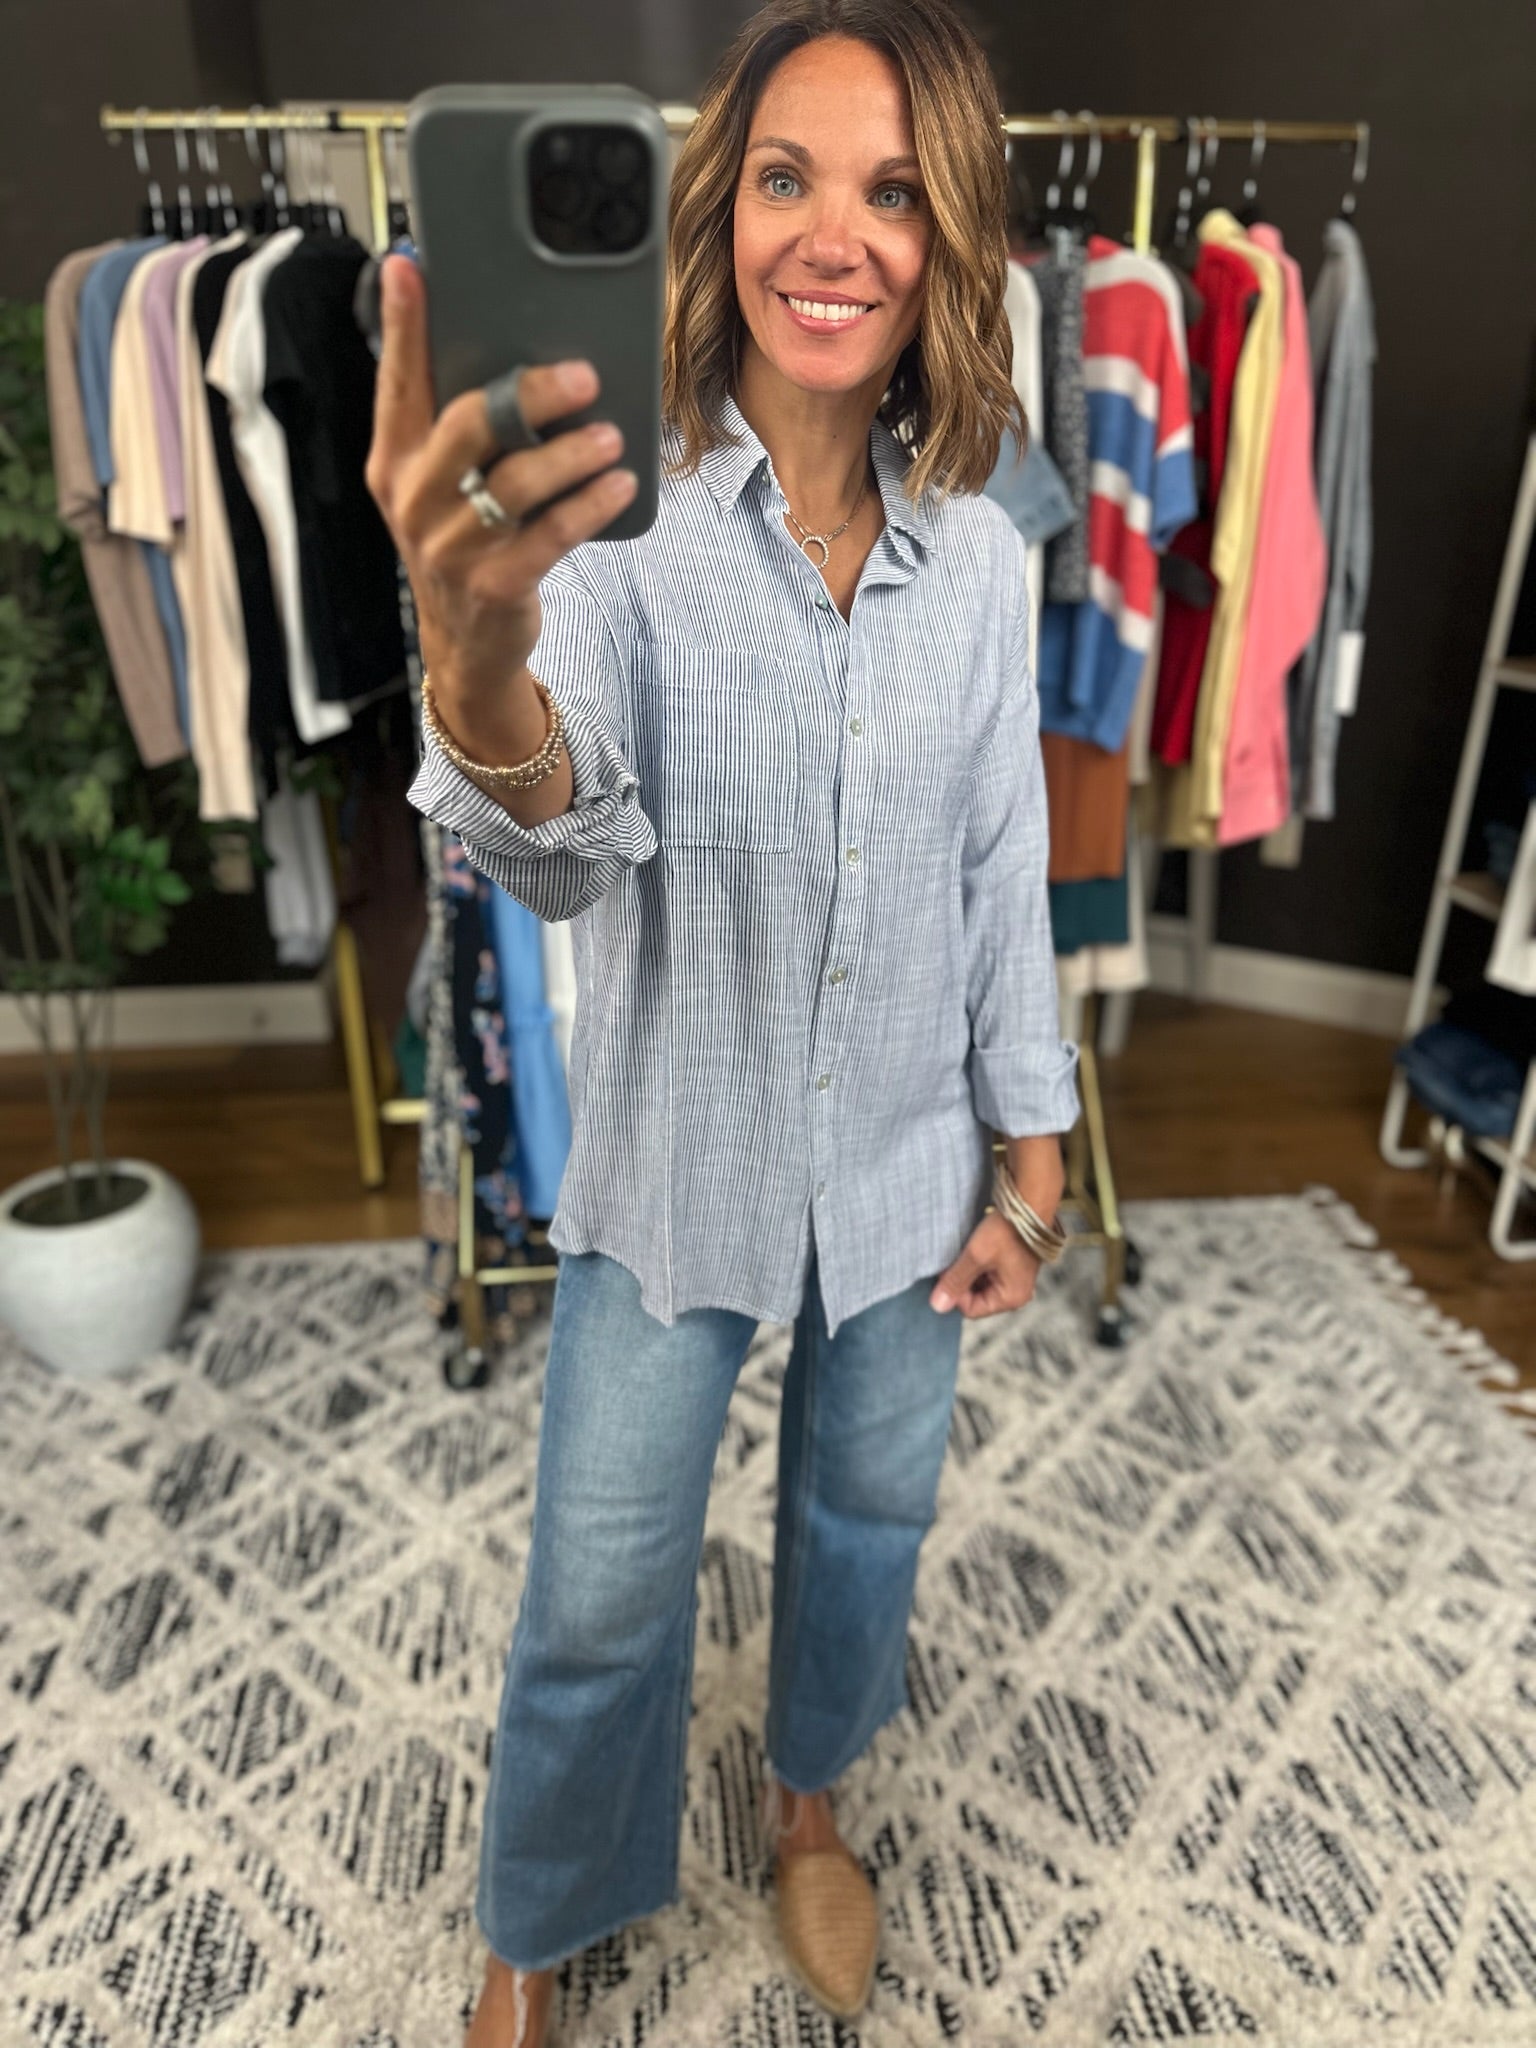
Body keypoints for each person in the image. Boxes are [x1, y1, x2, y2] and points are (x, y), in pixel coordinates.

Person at [366, 2, 1080, 2040]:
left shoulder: (986, 550)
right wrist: (475, 660)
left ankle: (807, 1801)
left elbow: (1000, 854)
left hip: (911, 1156)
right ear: (719, 208)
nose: (834, 236)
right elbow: (566, 855)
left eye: (894, 191)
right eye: (786, 177)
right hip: (680, 1154)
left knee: (866, 1521)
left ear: (950, 237)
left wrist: (1033, 1150)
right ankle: (535, 1920)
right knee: (601, 1585)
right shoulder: (622, 525)